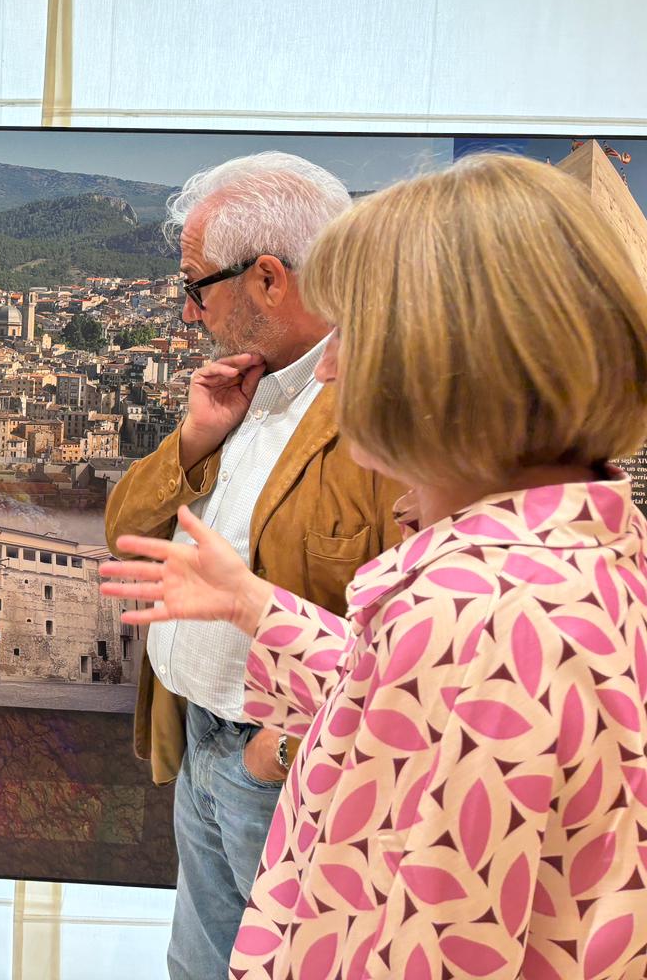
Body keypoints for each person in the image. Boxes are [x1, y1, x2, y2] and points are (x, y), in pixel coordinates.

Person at [102, 154, 647, 979]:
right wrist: (254, 605)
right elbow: (402, 690)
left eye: (355, 328)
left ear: (445, 358)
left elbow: (428, 945)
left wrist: (271, 755)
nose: (327, 364)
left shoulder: (473, 618)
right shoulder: (571, 554)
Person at [103, 151, 404, 979]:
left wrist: (273, 749)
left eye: (197, 283)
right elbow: (126, 532)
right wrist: (197, 438)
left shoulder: (381, 410)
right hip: (206, 743)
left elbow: (406, 630)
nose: (191, 309)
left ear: (268, 278)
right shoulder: (247, 389)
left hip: (281, 764)